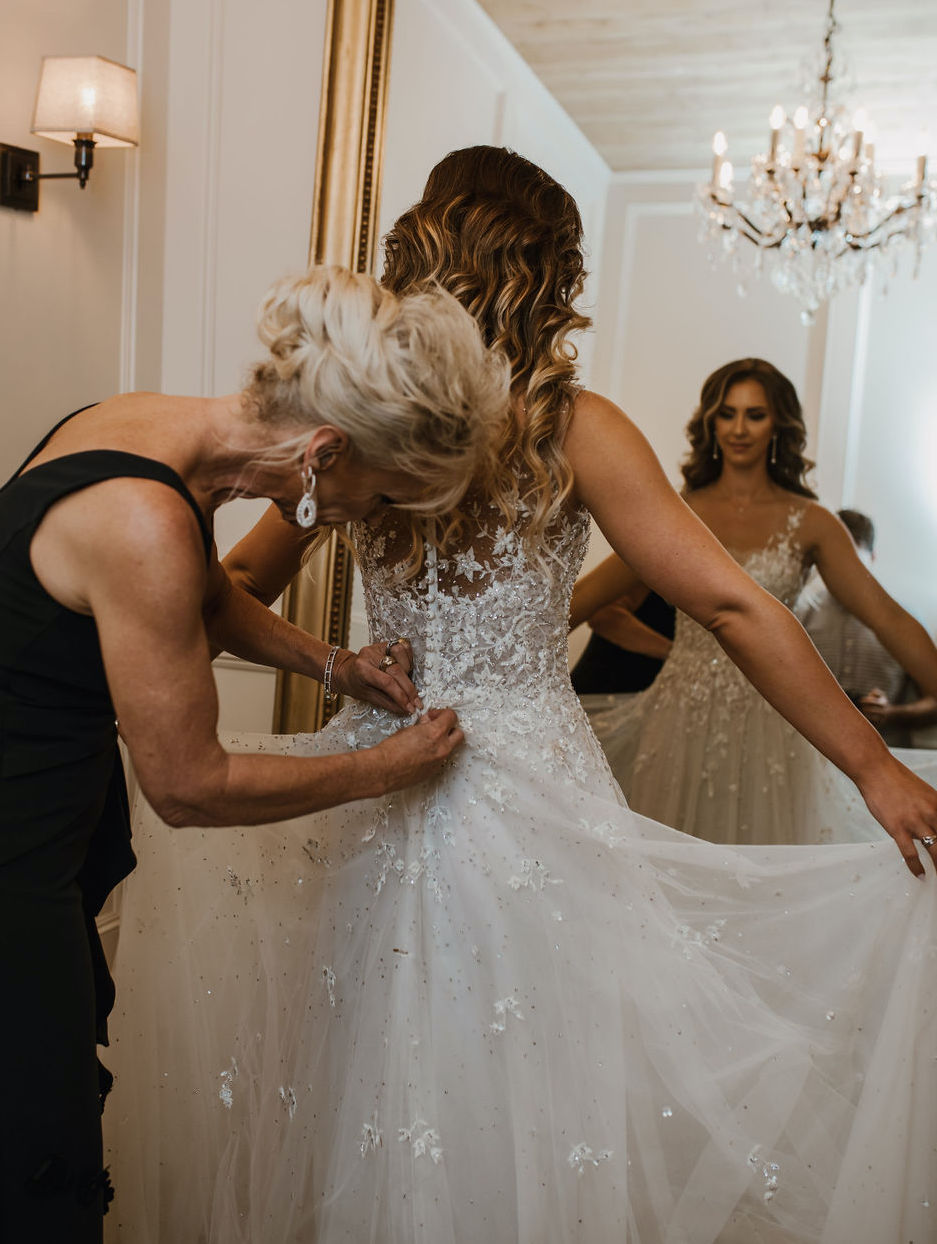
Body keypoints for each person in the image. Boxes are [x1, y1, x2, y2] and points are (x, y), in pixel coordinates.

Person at [105, 150, 937, 1244]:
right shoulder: (572, 425)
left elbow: (230, 587)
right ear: (548, 271)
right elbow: (732, 610)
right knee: (525, 1080)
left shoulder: (354, 411)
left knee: (360, 1061)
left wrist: (316, 664)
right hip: (528, 783)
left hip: (375, 765)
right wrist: (873, 765)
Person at [0, 263, 509, 1244]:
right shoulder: (144, 521)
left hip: (35, 831)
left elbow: (201, 591)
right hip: (10, 865)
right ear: (323, 450)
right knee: (34, 1159)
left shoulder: (134, 422)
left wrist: (335, 667)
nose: (370, 519)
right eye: (381, 494)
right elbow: (190, 785)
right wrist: (382, 767)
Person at [574, 360, 937, 845]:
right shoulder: (677, 512)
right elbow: (583, 600)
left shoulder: (812, 522)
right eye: (727, 414)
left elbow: (886, 616)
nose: (739, 429)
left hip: (775, 720)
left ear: (779, 425)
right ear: (711, 422)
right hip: (679, 718)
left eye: (755, 415)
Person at [796, 508, 930, 745]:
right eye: (835, 565)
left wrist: (891, 714)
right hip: (812, 750)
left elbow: (933, 701)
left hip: (888, 753)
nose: (847, 577)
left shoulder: (905, 621)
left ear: (873, 558)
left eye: (857, 565)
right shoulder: (800, 614)